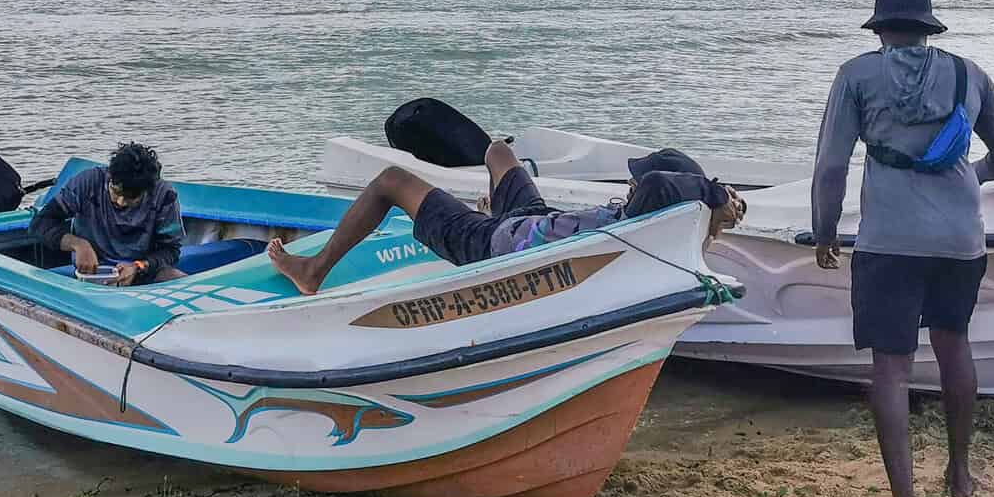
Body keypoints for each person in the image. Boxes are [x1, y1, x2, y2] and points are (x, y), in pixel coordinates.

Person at [811, 0, 994, 497]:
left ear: (880, 29)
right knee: (954, 343)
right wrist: (968, 180)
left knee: (892, 368)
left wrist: (826, 230)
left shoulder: (857, 75)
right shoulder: (969, 74)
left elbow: (832, 165)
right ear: (930, 29)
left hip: (890, 241)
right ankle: (959, 474)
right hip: (961, 240)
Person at [268, 140, 745, 295]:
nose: (631, 185)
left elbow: (662, 186)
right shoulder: (652, 219)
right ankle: (492, 204)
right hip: (534, 221)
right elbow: (662, 190)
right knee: (498, 152)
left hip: (495, 244)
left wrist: (711, 189)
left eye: (636, 183)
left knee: (391, 180)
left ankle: (314, 270)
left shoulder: (648, 214)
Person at [30, 141, 185, 285]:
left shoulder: (164, 196)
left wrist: (138, 266)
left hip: (141, 272)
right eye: (116, 192)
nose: (120, 202)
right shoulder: (88, 184)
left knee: (179, 280)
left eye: (132, 198)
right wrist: (78, 244)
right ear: (110, 176)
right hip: (92, 273)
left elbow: (171, 250)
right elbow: (40, 223)